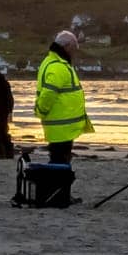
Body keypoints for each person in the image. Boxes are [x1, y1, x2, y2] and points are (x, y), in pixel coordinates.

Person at [34, 29, 92, 167]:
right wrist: (41, 111)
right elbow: (48, 94)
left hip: (62, 127)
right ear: (66, 47)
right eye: (74, 48)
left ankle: (55, 186)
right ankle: (55, 188)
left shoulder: (55, 62)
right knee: (59, 164)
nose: (75, 52)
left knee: (59, 163)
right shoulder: (57, 66)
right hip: (61, 128)